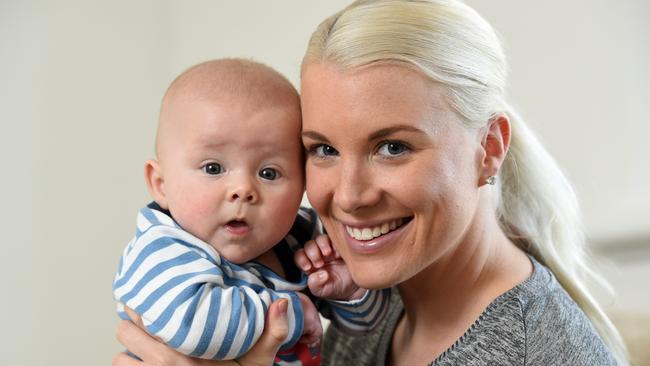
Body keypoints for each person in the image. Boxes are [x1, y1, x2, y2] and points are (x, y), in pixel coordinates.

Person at [114, 1, 629, 365]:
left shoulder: (537, 352)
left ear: (489, 147)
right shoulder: (371, 293)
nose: (350, 196)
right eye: (324, 150)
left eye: (393, 147)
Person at [112, 59, 389, 365]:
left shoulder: (301, 238)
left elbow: (367, 327)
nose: (243, 189)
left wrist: (348, 291)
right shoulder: (163, 248)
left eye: (269, 173)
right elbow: (193, 325)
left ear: (302, 186)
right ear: (161, 184)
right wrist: (294, 311)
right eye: (213, 168)